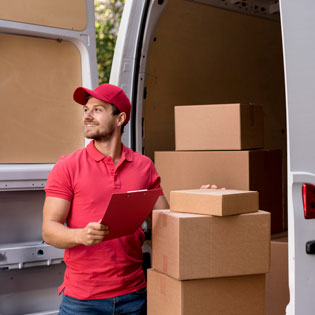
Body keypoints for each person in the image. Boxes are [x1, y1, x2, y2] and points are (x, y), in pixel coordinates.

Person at [42, 83, 169, 315]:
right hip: (83, 300)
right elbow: (49, 230)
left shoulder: (143, 166)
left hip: (135, 295)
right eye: (85, 110)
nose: (87, 116)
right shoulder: (68, 166)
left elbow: (166, 220)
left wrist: (202, 198)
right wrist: (80, 235)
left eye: (97, 110)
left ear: (120, 119)